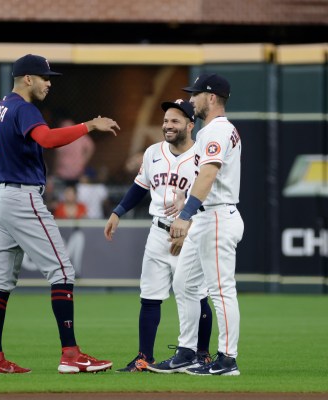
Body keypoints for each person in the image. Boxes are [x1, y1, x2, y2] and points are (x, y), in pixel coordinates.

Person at [0, 54, 120, 375]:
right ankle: (71, 355)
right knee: (62, 271)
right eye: (44, 78)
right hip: (21, 195)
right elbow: (46, 139)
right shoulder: (24, 108)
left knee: (0, 281)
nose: (48, 83)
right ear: (27, 79)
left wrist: (4, 179)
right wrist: (89, 125)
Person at [104, 99, 212, 372]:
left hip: (190, 232)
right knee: (150, 295)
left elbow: (212, 192)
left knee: (195, 294)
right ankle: (144, 357)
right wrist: (118, 211)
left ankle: (202, 355)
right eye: (165, 121)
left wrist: (187, 207)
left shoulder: (203, 155)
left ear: (190, 125)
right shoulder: (153, 152)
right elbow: (139, 187)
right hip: (158, 230)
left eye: (175, 121)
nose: (168, 126)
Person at [149, 73, 244, 376]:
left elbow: (209, 174)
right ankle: (187, 352)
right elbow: (200, 179)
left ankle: (228, 359)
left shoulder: (216, 129)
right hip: (207, 213)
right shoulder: (211, 131)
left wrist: (185, 214)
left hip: (216, 215)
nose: (191, 99)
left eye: (196, 94)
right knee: (185, 284)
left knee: (220, 290)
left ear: (212, 97)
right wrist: (187, 201)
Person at [52, 115, 96, 186]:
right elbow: (91, 147)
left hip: (63, 172)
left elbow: (58, 156)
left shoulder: (61, 136)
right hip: (77, 171)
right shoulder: (79, 134)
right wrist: (83, 160)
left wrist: (54, 170)